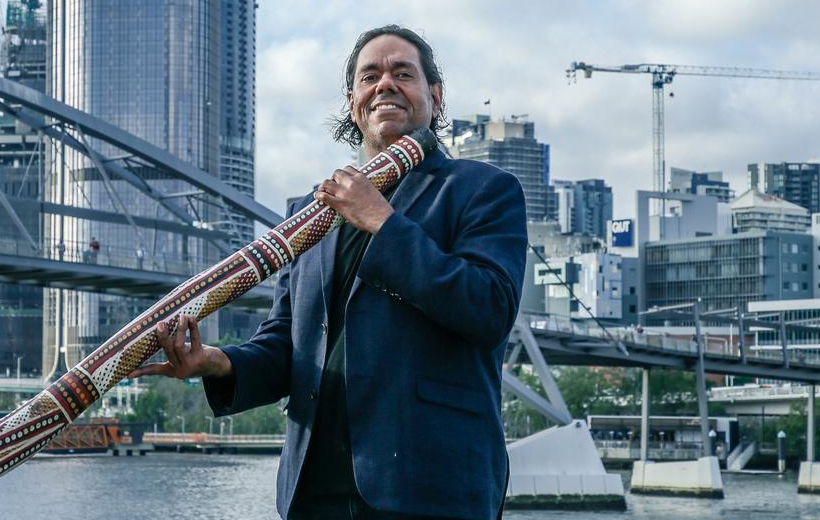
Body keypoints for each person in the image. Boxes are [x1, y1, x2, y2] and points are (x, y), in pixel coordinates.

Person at [129, 25, 527, 519]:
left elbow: (488, 308)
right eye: (370, 76)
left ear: (435, 95)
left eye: (403, 73)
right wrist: (214, 362)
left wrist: (381, 221)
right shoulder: (309, 214)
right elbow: (285, 347)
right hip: (314, 489)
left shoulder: (483, 189)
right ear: (352, 100)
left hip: (430, 486)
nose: (385, 84)